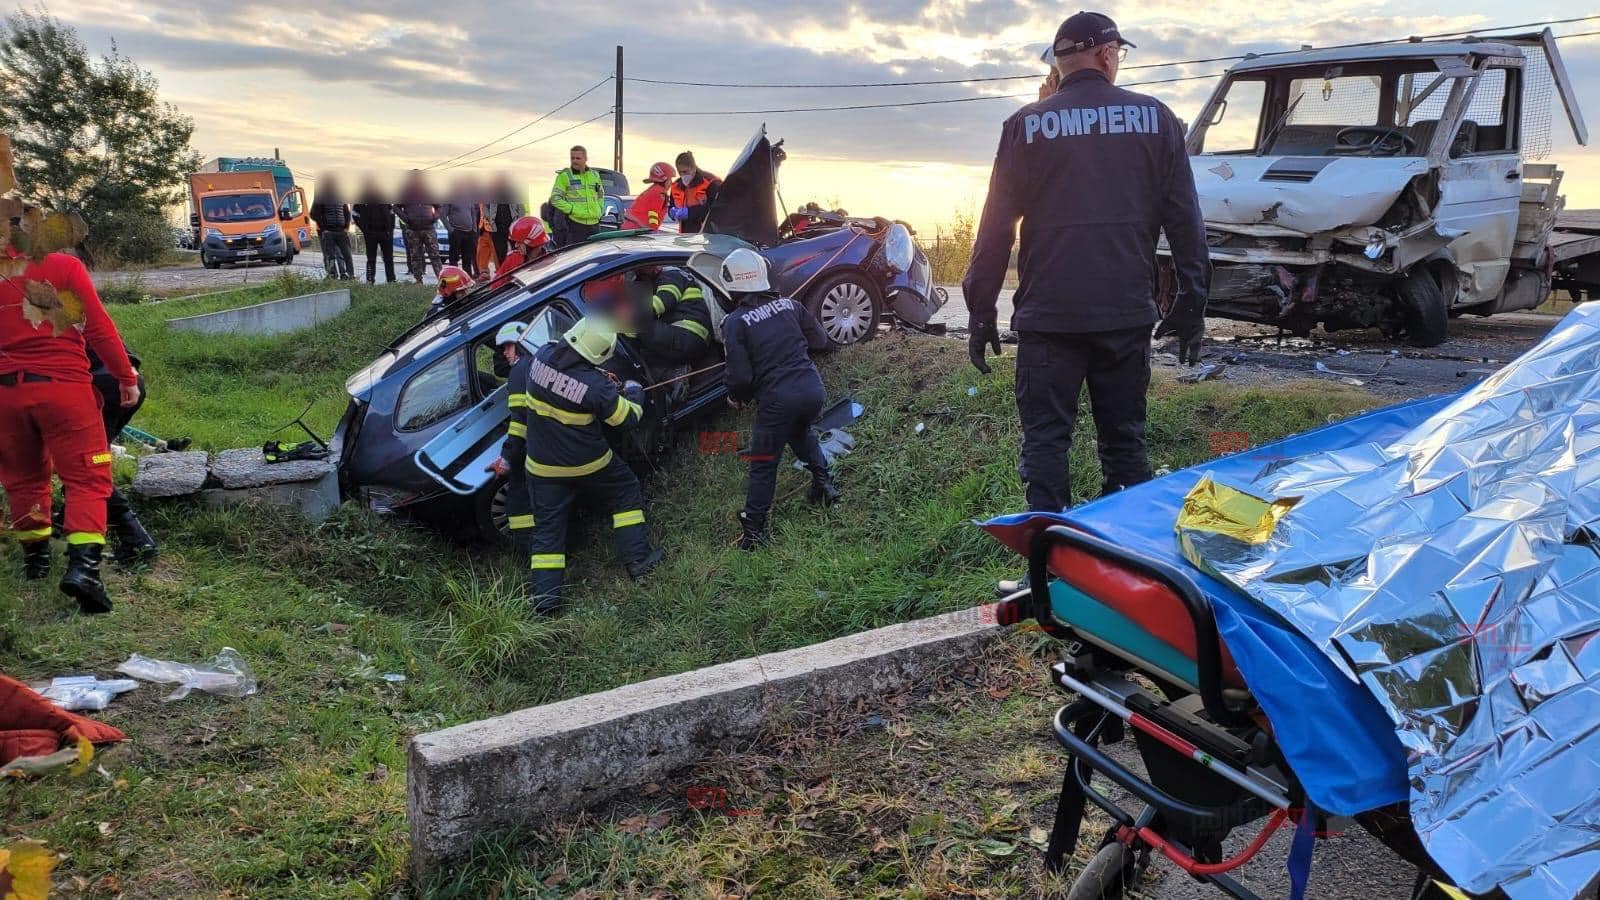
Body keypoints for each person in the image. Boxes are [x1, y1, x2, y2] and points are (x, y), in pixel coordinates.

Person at [963, 11, 1209, 527]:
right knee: (1124, 445)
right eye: (1118, 54)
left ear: (1060, 61)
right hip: (1124, 316)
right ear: (1106, 53)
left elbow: (995, 229)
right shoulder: (1157, 119)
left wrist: (981, 309)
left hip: (1049, 321)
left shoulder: (1024, 126)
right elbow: (1185, 219)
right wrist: (1192, 301)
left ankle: (1049, 568)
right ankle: (1126, 561)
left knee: (1047, 446)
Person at [1, 201, 140, 614]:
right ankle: (84, 570)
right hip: (64, 390)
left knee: (23, 480)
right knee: (87, 479)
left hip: (6, 396)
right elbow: (98, 326)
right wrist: (125, 377)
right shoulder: (63, 267)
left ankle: (36, 563)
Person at [517, 315, 665, 614]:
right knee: (625, 491)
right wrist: (634, 392)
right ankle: (638, 560)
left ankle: (546, 604)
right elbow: (625, 419)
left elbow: (568, 377)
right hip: (589, 462)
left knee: (547, 531)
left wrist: (598, 378)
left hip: (542, 467)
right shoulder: (596, 387)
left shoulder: (540, 357)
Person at [718, 248, 841, 550]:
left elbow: (741, 376)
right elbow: (821, 341)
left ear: (732, 283)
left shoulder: (735, 322)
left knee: (762, 461)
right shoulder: (791, 306)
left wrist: (736, 397)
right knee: (800, 432)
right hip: (812, 390)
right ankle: (824, 484)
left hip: (777, 400)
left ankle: (754, 532)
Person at [78, 343, 158, 567]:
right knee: (94, 460)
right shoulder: (73, 307)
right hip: (127, 381)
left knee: (83, 467)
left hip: (98, 387)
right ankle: (68, 516)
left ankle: (136, 540)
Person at [485, 321, 535, 555]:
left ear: (521, 344)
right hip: (546, 445)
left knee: (519, 502)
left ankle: (525, 551)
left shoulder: (518, 372)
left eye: (508, 346)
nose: (504, 352)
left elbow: (519, 422)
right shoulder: (538, 364)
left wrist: (506, 458)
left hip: (528, 450)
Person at [629, 265, 712, 368]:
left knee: (637, 325)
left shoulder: (672, 275)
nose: (637, 274)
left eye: (639, 270)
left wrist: (627, 317)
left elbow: (664, 300)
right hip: (684, 335)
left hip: (689, 334)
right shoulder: (649, 280)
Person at [548, 146, 604, 248]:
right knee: (577, 258)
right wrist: (572, 209)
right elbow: (555, 198)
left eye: (578, 158)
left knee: (595, 257)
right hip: (576, 225)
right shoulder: (564, 176)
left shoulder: (595, 175)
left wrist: (600, 209)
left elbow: (600, 195)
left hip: (595, 225)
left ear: (585, 158)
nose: (575, 161)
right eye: (572, 158)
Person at [397, 173, 443, 283]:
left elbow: (439, 206)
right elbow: (396, 207)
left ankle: (441, 280)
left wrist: (434, 217)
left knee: (435, 255)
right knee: (415, 256)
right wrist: (406, 218)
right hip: (413, 229)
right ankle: (418, 281)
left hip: (429, 229)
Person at [308, 179, 355, 280]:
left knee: (345, 254)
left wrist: (346, 227)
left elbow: (346, 213)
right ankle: (332, 276)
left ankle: (346, 275)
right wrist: (324, 228)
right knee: (329, 255)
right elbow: (313, 214)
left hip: (341, 231)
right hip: (327, 232)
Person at [667, 152, 722, 234]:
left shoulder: (711, 182)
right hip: (684, 236)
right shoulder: (676, 186)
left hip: (708, 236)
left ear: (693, 168)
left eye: (685, 171)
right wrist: (671, 212)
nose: (682, 175)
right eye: (680, 172)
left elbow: (716, 209)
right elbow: (671, 205)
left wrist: (689, 212)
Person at [352, 185, 397, 284]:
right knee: (371, 259)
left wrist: (391, 229)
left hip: (385, 232)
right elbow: (354, 214)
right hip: (370, 233)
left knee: (388, 258)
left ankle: (391, 280)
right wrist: (364, 229)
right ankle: (370, 280)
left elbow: (392, 213)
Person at [440, 187, 480, 278]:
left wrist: (474, 229)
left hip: (469, 233)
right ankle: (453, 279)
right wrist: (450, 230)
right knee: (454, 259)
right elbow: (442, 214)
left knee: (467, 259)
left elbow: (473, 213)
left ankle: (468, 279)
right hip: (456, 232)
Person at [623, 162, 673, 230]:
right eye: (670, 179)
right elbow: (653, 214)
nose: (671, 182)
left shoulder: (654, 190)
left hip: (632, 228)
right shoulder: (658, 194)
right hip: (636, 231)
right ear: (664, 180)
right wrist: (653, 230)